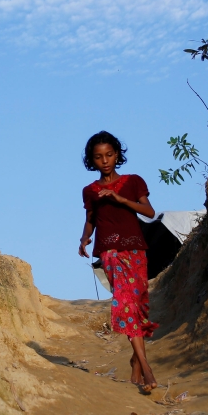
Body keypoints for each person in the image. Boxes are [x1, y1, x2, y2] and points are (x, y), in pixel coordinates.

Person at [77, 131, 159, 392]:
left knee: (138, 304)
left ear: (117, 154)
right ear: (92, 160)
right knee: (124, 302)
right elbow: (90, 219)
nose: (105, 161)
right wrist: (84, 239)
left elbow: (149, 211)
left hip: (135, 250)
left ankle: (136, 359)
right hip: (109, 251)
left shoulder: (133, 182)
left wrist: (121, 199)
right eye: (99, 157)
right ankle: (146, 369)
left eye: (109, 155)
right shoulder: (90, 191)